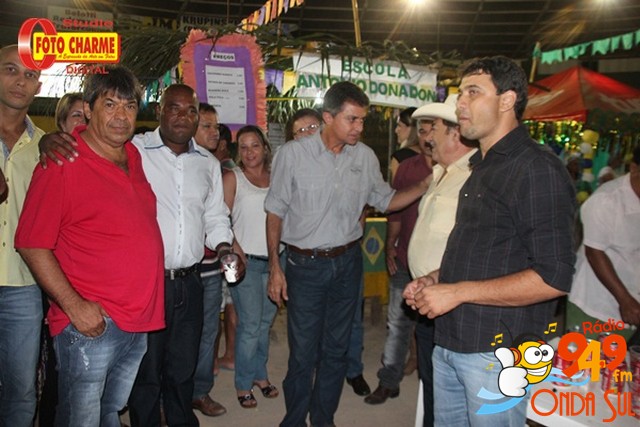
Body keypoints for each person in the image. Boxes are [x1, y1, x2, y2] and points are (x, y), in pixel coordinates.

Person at [39, 84, 242, 427]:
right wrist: (50, 140)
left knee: (183, 367)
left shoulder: (207, 164)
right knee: (145, 372)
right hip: (148, 283)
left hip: (191, 281)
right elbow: (91, 141)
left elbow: (215, 216)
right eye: (174, 108)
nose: (183, 116)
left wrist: (224, 247)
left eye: (191, 111)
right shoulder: (133, 149)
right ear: (159, 111)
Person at [403, 56, 576, 426]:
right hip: (452, 339)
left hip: (497, 352)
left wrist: (457, 292)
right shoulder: (482, 166)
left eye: (472, 92)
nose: (460, 103)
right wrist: (436, 279)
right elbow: (484, 253)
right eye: (460, 93)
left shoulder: (536, 169)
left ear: (507, 100)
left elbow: (554, 277)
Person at [265, 81, 431, 427]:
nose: (359, 127)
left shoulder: (364, 157)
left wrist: (425, 186)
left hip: (347, 263)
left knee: (336, 350)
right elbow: (275, 213)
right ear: (328, 117)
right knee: (303, 353)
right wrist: (275, 268)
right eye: (352, 119)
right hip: (304, 266)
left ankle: (323, 419)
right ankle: (293, 420)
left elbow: (386, 200)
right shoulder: (292, 155)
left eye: (362, 120)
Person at [15, 65, 165, 426]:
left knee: (109, 411)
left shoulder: (132, 156)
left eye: (129, 106)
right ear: (88, 107)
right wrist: (75, 307)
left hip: (137, 322)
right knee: (79, 419)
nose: (121, 116)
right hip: (90, 324)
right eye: (110, 104)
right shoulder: (62, 162)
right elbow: (31, 243)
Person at [404, 96, 478, 426]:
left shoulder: (475, 176)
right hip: (425, 299)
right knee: (431, 382)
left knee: (450, 392)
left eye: (434, 128)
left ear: (455, 133)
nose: (428, 137)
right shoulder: (439, 172)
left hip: (452, 302)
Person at [288, 107, 371, 397]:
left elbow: (362, 203)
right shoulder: (294, 166)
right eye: (300, 132)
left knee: (351, 321)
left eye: (312, 128)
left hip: (346, 256)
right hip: (307, 261)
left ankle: (354, 370)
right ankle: (312, 378)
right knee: (308, 330)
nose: (308, 135)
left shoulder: (349, 158)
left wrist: (352, 235)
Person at [365, 102, 434, 405]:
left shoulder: (459, 169)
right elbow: (395, 211)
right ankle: (389, 381)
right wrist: (390, 246)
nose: (428, 136)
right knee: (397, 323)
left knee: (436, 330)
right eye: (423, 130)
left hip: (441, 266)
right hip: (405, 258)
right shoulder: (408, 168)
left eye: (432, 129)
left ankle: (434, 387)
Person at [0, 43, 45, 427]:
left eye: (29, 75)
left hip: (23, 285)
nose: (20, 81)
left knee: (21, 389)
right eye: (10, 69)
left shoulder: (47, 148)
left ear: (38, 86)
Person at [222, 125, 281, 409]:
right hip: (244, 263)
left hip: (275, 262)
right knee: (249, 326)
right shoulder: (233, 177)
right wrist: (235, 247)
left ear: (265, 148)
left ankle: (260, 374)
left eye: (254, 145)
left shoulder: (276, 178)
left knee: (264, 324)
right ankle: (243, 384)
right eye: (243, 147)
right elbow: (220, 217)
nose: (249, 152)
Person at [568, 146, 640, 342]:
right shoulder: (606, 200)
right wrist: (625, 300)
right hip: (596, 306)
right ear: (634, 168)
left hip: (632, 302)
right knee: (586, 359)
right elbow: (594, 252)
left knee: (624, 360)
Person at [191, 102, 227, 417]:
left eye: (216, 126)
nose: (215, 132)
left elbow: (218, 216)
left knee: (208, 333)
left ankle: (199, 392)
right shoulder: (169, 160)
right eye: (207, 126)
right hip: (179, 269)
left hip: (212, 267)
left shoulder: (213, 165)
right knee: (173, 335)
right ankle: (166, 397)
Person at [389, 107, 419, 181]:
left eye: (399, 126)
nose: (396, 130)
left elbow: (397, 186)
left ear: (411, 128)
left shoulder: (400, 157)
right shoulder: (431, 156)